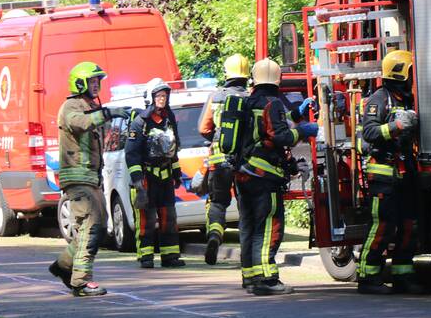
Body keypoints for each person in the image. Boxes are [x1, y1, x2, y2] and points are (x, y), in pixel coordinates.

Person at [236, 59, 319, 295]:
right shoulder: (270, 103)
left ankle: (250, 277)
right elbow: (280, 136)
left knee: (249, 227)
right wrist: (304, 130)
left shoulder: (249, 102)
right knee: (269, 227)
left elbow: (264, 132)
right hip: (264, 177)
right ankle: (267, 279)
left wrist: (295, 115)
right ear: (278, 79)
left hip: (244, 174)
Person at [48, 61, 130, 297]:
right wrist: (108, 113)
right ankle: (81, 282)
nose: (97, 85)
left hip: (91, 179)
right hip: (78, 178)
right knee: (90, 227)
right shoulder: (71, 106)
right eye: (93, 81)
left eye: (98, 82)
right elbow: (81, 122)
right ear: (80, 82)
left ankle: (64, 267)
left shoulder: (91, 105)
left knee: (99, 226)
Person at [357, 49, 424, 295]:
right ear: (400, 74)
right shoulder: (379, 99)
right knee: (383, 225)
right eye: (410, 73)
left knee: (410, 225)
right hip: (384, 173)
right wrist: (396, 125)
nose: (412, 78)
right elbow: (370, 132)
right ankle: (367, 276)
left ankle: (402, 275)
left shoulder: (407, 100)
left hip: (406, 173)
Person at [125, 78, 185, 268]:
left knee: (169, 217)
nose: (162, 99)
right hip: (146, 177)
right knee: (146, 219)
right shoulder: (139, 122)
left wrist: (176, 174)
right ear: (150, 98)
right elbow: (131, 154)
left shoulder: (170, 118)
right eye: (158, 96)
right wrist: (137, 181)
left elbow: (173, 149)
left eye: (164, 95)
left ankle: (170, 256)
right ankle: (146, 256)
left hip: (165, 175)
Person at [197, 53, 250, 265]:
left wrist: (217, 139)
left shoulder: (216, 96)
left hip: (219, 160)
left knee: (218, 203)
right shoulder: (250, 97)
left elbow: (203, 128)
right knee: (246, 206)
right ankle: (248, 252)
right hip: (245, 161)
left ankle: (214, 236)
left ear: (226, 73)